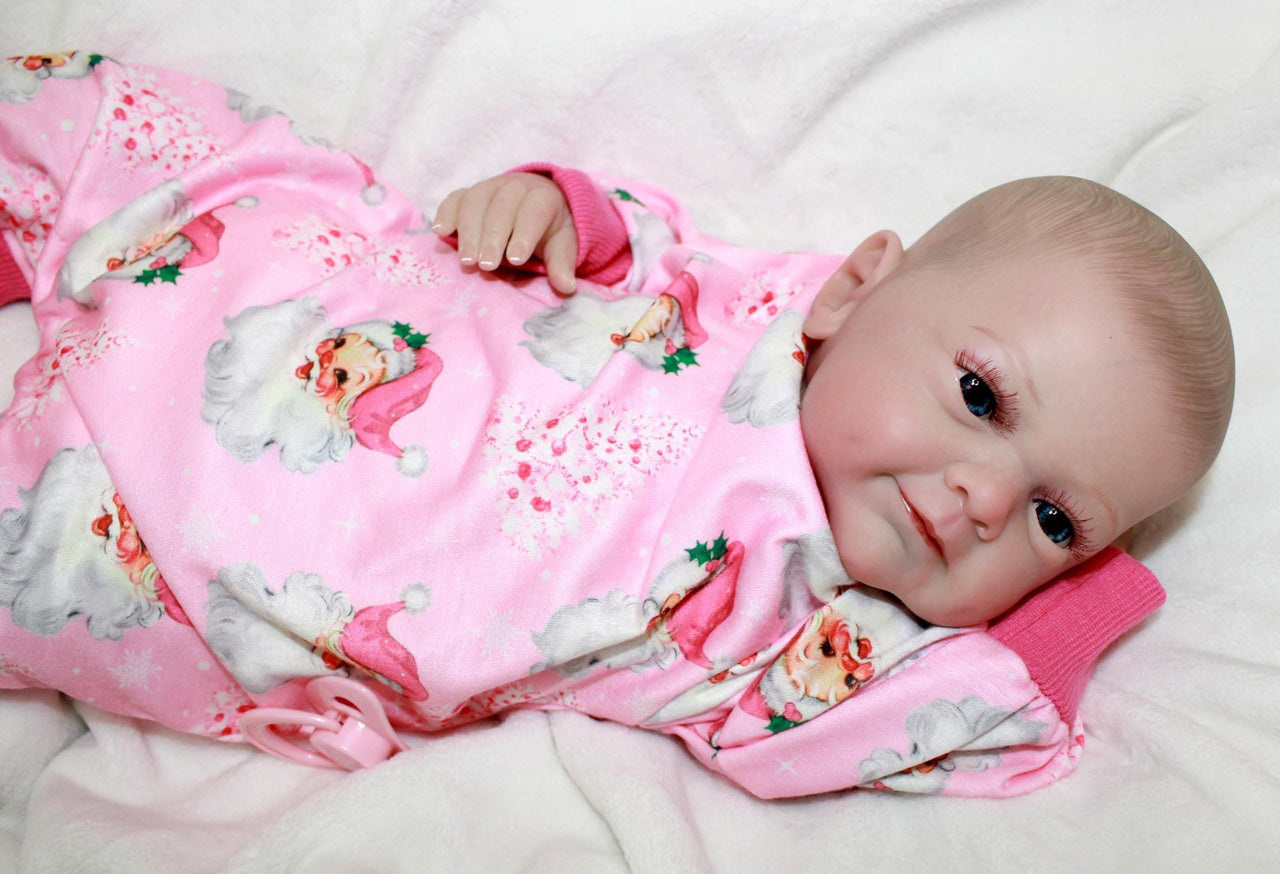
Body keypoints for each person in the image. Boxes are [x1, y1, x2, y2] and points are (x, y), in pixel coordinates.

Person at [0, 53, 1233, 797]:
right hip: (278, 279)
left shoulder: (805, 641)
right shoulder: (760, 307)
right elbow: (637, 236)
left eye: (1052, 515)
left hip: (171, 568)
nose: (979, 497)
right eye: (979, 397)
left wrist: (1084, 597)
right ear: (861, 287)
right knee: (125, 123)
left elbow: (974, 719)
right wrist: (553, 210)